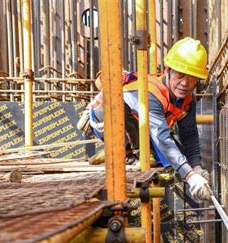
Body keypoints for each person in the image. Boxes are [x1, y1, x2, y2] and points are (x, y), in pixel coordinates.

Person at [85, 37, 212, 202]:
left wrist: (197, 167)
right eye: (180, 75)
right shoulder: (152, 92)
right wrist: (190, 176)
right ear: (168, 71)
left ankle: (133, 152)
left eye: (192, 78)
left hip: (144, 132)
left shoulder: (188, 100)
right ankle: (129, 153)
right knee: (167, 151)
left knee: (177, 156)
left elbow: (190, 135)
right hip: (109, 121)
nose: (185, 83)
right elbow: (161, 137)